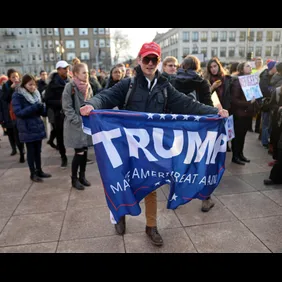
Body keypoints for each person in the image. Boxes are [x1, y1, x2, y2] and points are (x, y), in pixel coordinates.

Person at [80, 42, 229, 246]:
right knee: (125, 182)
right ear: (139, 60)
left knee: (151, 185)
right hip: (128, 146)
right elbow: (105, 97)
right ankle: (121, 216)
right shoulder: (128, 84)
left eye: (154, 60)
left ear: (158, 62)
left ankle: (151, 226)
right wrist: (90, 105)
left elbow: (188, 105)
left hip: (151, 149)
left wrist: (215, 112)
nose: (150, 63)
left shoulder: (165, 87)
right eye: (146, 59)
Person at [12, 74, 51, 182]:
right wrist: (34, 107)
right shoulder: (18, 95)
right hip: (26, 127)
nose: (32, 87)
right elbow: (18, 112)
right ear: (24, 85)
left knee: (38, 151)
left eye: (34, 85)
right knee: (31, 151)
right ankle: (32, 173)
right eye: (30, 85)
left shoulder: (36, 95)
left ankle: (39, 170)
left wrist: (43, 108)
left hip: (37, 126)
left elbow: (42, 113)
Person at [62, 63, 93, 190]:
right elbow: (67, 107)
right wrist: (77, 120)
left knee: (85, 151)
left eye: (87, 72)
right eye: (84, 72)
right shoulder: (70, 86)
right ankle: (74, 179)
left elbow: (91, 102)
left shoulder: (88, 86)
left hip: (86, 124)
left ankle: (82, 176)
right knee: (79, 152)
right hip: (75, 125)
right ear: (75, 74)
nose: (87, 75)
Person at [44, 60, 70, 168]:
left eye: (67, 68)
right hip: (58, 114)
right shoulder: (52, 84)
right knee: (60, 137)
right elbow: (47, 100)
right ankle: (63, 157)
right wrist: (60, 103)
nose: (66, 70)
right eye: (64, 68)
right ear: (58, 70)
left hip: (70, 113)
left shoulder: (70, 81)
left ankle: (81, 154)